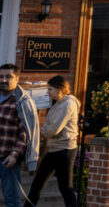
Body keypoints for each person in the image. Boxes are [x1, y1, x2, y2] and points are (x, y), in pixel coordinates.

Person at [26, 75, 79, 207]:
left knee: (66, 188)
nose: (47, 92)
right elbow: (47, 127)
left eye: (50, 89)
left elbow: (52, 130)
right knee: (37, 184)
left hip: (65, 150)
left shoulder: (68, 104)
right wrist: (47, 131)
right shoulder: (57, 103)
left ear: (60, 89)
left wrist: (46, 132)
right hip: (53, 149)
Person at [0, 63, 38, 206]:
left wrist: (14, 154)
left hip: (7, 159)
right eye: (1, 77)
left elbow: (25, 134)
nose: (4, 80)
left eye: (8, 77)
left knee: (12, 199)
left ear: (17, 79)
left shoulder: (22, 102)